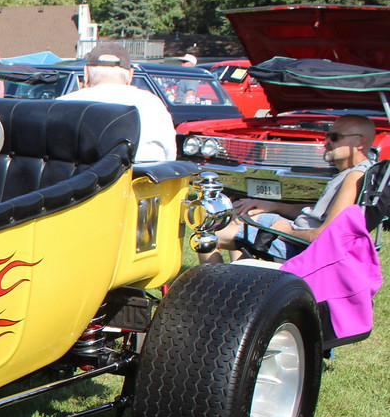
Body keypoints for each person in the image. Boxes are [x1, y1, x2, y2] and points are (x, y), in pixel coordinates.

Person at [200, 114, 376, 263]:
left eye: (335, 137)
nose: (327, 141)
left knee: (207, 235)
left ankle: (218, 293)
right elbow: (318, 214)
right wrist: (270, 205)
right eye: (327, 135)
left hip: (297, 244)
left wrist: (285, 231)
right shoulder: (352, 172)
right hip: (295, 232)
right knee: (242, 213)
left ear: (360, 142)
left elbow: (325, 236)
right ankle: (242, 283)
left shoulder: (355, 177)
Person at [58, 43, 176, 162]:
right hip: (139, 177)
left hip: (78, 179)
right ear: (130, 75)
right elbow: (169, 155)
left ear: (86, 73)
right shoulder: (153, 104)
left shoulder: (61, 105)